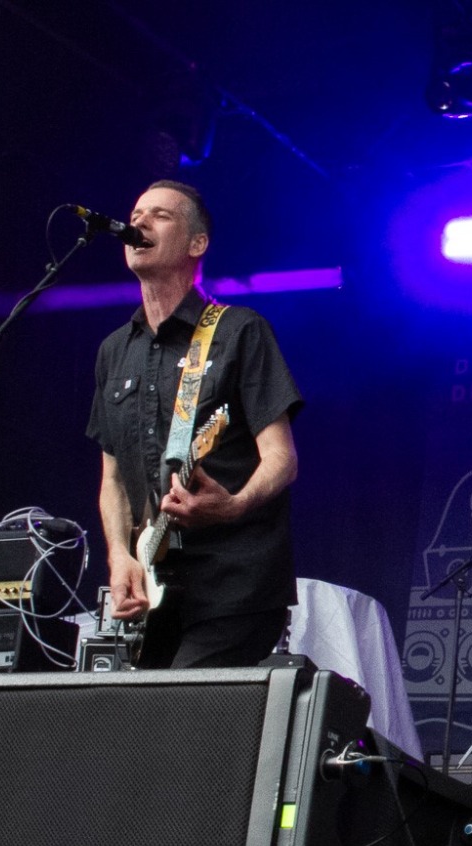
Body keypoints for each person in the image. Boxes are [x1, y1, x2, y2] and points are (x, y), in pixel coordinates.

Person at [88, 179, 304, 668]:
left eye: (159, 215)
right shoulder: (114, 351)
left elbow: (282, 458)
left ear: (197, 243)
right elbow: (113, 479)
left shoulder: (239, 330)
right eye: (136, 214)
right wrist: (120, 556)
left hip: (235, 582)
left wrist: (233, 505)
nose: (139, 222)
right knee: (143, 713)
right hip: (160, 589)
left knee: (180, 707)